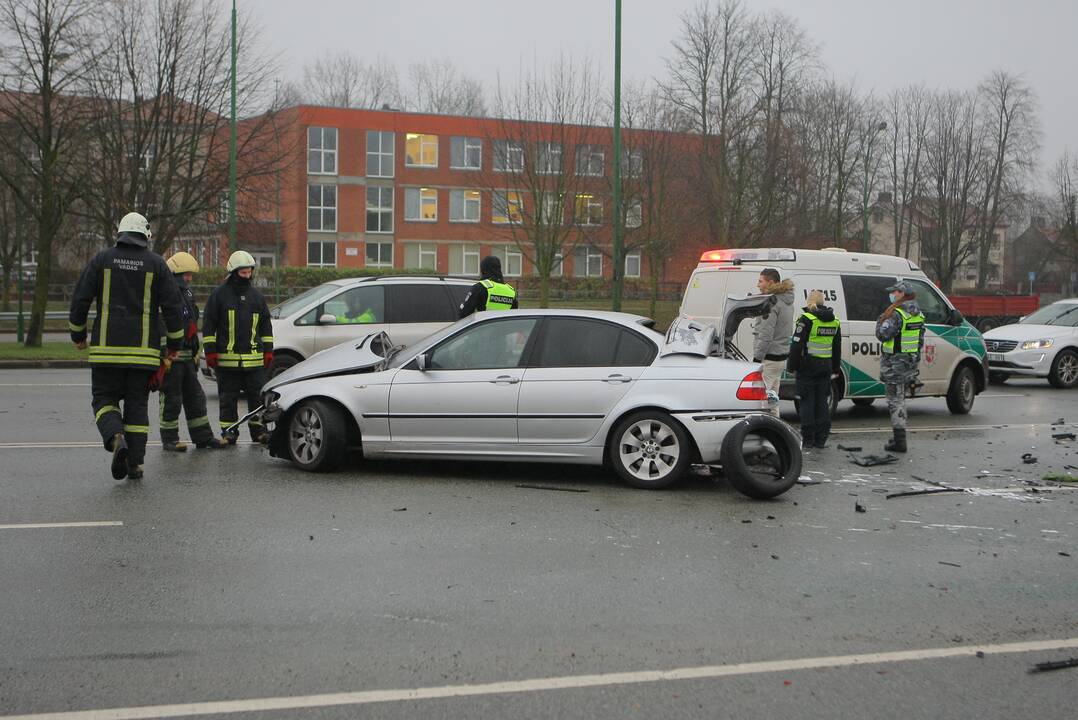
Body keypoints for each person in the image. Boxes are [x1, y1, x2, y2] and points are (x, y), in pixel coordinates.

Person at [68, 212, 184, 481]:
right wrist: (174, 345)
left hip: (105, 352)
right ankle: (135, 464)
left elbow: (81, 298)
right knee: (137, 408)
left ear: (120, 233)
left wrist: (78, 334)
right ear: (145, 236)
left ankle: (115, 436)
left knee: (104, 400)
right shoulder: (156, 264)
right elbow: (172, 308)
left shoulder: (102, 260)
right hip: (142, 355)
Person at [202, 251, 274, 444]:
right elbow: (208, 325)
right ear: (233, 272)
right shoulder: (219, 295)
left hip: (254, 360)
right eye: (242, 272)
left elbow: (266, 326)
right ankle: (229, 432)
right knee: (227, 399)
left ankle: (258, 431)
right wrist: (210, 352)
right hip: (227, 360)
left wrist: (268, 350)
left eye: (249, 272)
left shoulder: (257, 297)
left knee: (257, 399)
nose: (246, 276)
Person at [158, 252, 225, 452]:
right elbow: (161, 325)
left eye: (190, 274)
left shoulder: (187, 294)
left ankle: (203, 438)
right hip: (172, 358)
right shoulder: (164, 293)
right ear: (175, 274)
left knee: (196, 398)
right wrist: (164, 354)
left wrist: (196, 351)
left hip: (187, 358)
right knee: (171, 399)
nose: (189, 278)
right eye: (185, 274)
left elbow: (191, 322)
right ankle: (169, 439)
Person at [787, 290, 842, 450]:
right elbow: (836, 347)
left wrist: (792, 366)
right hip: (825, 366)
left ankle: (808, 438)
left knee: (807, 401)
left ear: (808, 301)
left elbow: (796, 346)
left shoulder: (806, 319)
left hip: (807, 366)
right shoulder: (835, 321)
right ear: (823, 302)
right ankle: (821, 438)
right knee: (822, 402)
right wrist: (836, 368)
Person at [876, 281, 925, 453]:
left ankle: (900, 441)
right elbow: (920, 341)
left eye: (895, 292)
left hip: (895, 363)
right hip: (908, 363)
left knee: (895, 401)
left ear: (902, 294)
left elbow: (882, 334)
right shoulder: (918, 314)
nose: (893, 295)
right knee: (900, 398)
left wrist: (880, 320)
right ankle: (898, 438)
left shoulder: (897, 314)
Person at [752, 268, 795, 416]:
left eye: (760, 281)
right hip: (780, 357)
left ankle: (761, 432)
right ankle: (776, 430)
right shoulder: (787, 301)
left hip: (768, 358)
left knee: (758, 400)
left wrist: (756, 358)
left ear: (770, 282)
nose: (758, 285)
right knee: (772, 399)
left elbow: (766, 334)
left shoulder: (772, 303)